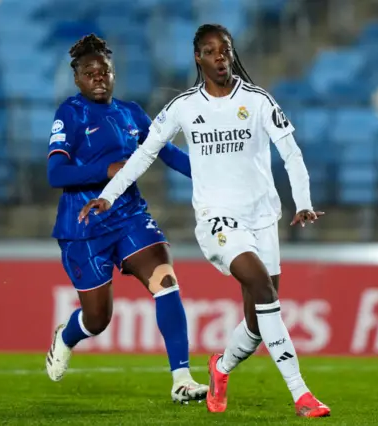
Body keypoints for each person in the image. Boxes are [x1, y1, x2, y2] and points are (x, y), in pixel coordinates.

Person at [78, 24, 331, 418]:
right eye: (211, 51)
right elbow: (145, 154)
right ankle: (301, 393)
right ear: (198, 57)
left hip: (263, 218)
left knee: (256, 323)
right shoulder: (183, 106)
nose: (220, 58)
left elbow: (292, 154)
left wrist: (303, 201)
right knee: (264, 291)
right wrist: (108, 196)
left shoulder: (259, 101)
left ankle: (221, 367)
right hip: (218, 220)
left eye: (225, 50)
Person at [45, 34, 208, 404]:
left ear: (113, 74)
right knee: (98, 320)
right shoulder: (70, 114)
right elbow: (56, 174)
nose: (98, 78)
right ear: (77, 79)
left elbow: (166, 152)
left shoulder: (131, 112)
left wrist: (209, 173)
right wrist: (109, 169)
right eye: (90, 73)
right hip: (84, 227)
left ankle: (181, 379)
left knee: (165, 280)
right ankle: (68, 336)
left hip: (130, 216)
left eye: (104, 71)